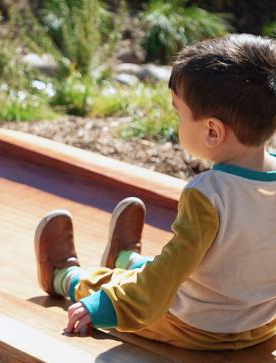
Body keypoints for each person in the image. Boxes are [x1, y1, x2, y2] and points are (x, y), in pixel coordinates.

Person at [34, 34, 276, 350]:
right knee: (191, 264)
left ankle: (63, 276)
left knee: (119, 286)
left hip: (199, 328)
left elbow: (169, 272)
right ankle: (126, 257)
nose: (177, 123)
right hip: (260, 325)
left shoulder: (211, 195)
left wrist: (104, 307)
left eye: (179, 113)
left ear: (212, 131)